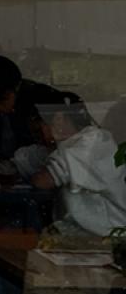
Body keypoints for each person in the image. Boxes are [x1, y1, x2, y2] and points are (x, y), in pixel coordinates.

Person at [18, 96, 126, 237]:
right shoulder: (77, 142)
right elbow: (26, 159)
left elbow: (43, 181)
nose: (39, 137)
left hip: (105, 235)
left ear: (59, 119)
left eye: (39, 129)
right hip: (87, 232)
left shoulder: (90, 143)